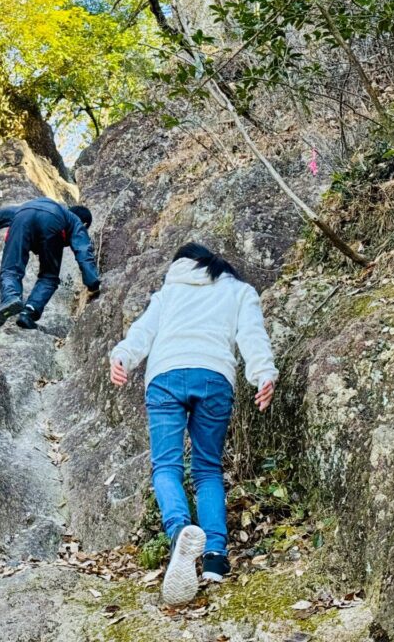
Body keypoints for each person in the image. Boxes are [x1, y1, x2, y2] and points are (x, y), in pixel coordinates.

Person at [109, 243, 277, 606]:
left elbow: (143, 332)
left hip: (166, 377)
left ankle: (180, 530)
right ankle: (215, 556)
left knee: (167, 466)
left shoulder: (169, 292)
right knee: (207, 470)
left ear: (181, 264)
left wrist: (122, 356)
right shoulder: (238, 290)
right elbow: (252, 336)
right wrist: (263, 373)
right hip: (214, 378)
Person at [0, 197, 100, 329]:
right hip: (52, 223)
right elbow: (83, 250)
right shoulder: (75, 221)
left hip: (21, 218)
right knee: (49, 277)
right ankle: (29, 312)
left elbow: (6, 213)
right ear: (85, 224)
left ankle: (10, 297)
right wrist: (92, 283)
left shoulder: (33, 205)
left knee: (10, 270)